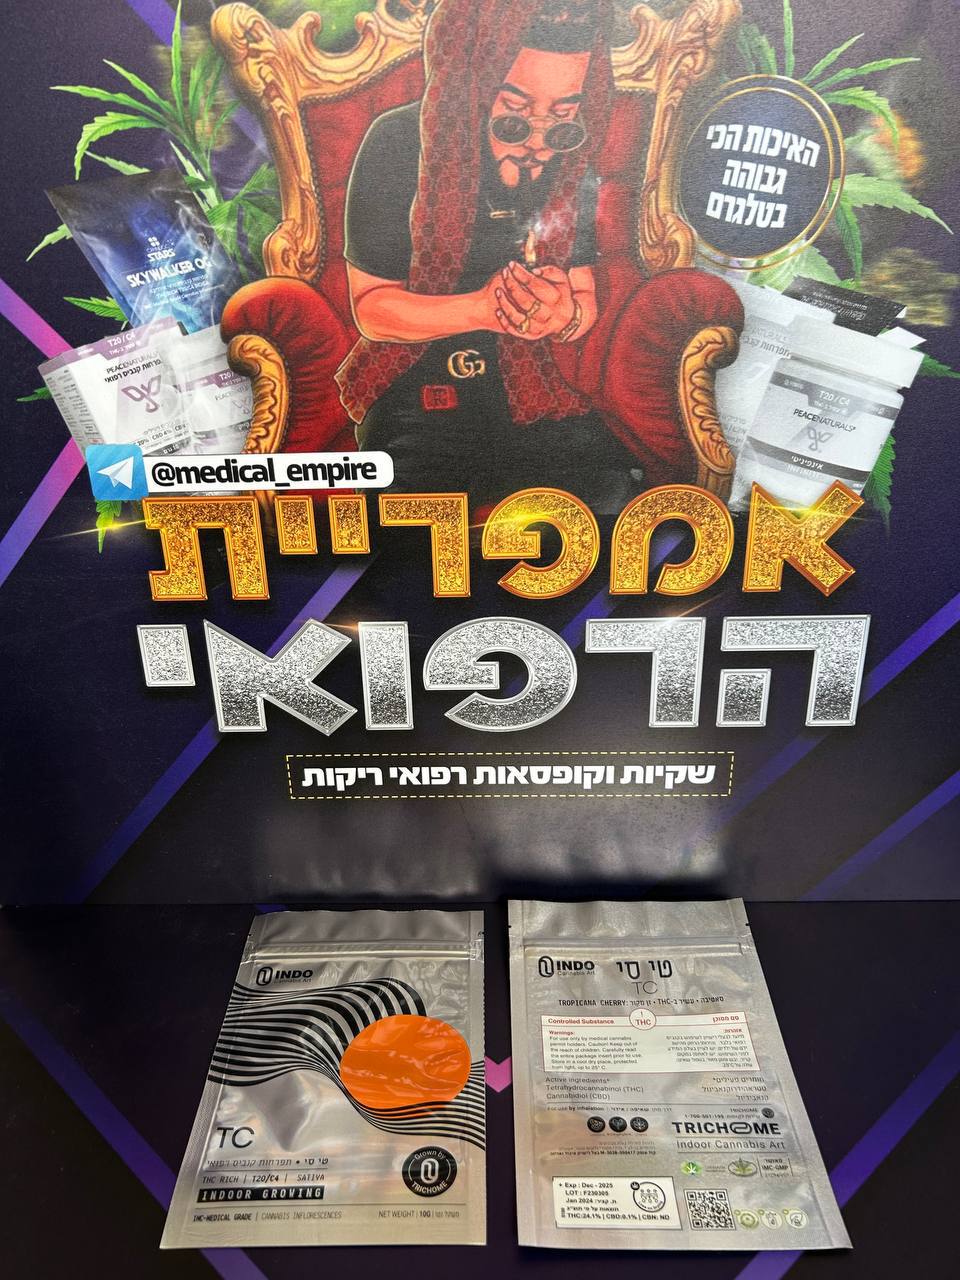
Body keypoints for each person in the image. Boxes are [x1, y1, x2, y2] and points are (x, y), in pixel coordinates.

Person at [335, 0, 643, 510]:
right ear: (472, 94)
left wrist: (565, 314)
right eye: (515, 120)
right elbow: (372, 309)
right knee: (408, 527)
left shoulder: (572, 163)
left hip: (538, 391)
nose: (539, 145)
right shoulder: (398, 142)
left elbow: (583, 293)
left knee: (612, 498)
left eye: (562, 122)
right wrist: (483, 309)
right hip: (423, 390)